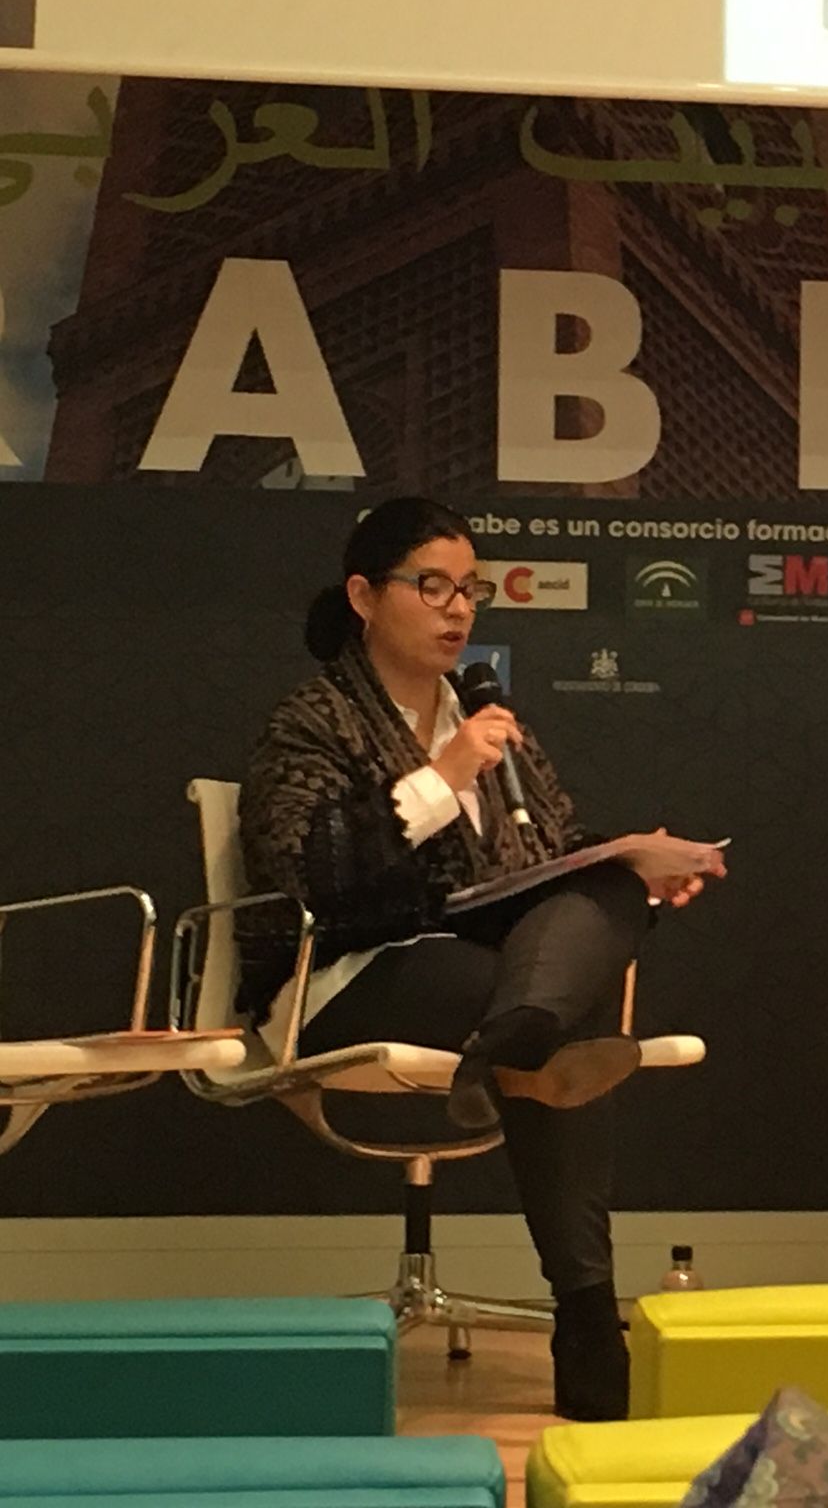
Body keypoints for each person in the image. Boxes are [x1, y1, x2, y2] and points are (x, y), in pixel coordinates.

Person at [236, 496, 720, 1420]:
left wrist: (638, 870)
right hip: (350, 976)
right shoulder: (314, 718)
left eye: (470, 589)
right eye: (432, 586)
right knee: (562, 1013)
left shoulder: (491, 718)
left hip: (490, 969)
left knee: (608, 893)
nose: (457, 608)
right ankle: (587, 1318)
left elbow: (554, 857)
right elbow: (306, 877)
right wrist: (442, 776)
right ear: (364, 596)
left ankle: (513, 1042)